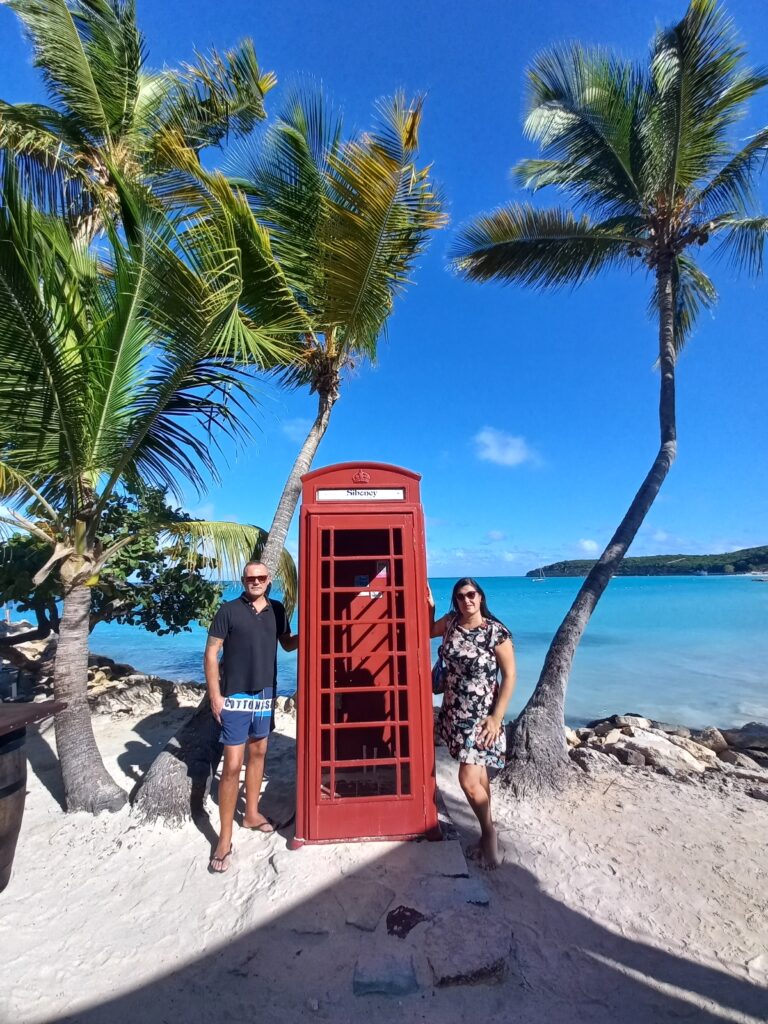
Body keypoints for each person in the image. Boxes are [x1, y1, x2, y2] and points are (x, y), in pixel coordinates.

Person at [205, 561, 298, 873]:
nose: (255, 582)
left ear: (268, 580)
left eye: (260, 577)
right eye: (250, 578)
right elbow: (211, 653)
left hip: (265, 694)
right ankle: (224, 837)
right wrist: (215, 696)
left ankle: (252, 813)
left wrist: (315, 629)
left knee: (258, 752)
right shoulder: (228, 610)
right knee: (231, 765)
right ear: (243, 581)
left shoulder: (277, 609)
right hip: (236, 695)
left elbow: (287, 644)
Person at [429, 578, 516, 869]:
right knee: (479, 779)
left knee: (467, 780)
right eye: (460, 596)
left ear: (480, 597)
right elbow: (426, 632)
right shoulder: (451, 623)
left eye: (471, 595)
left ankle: (489, 835)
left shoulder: (495, 632)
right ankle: (485, 834)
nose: (466, 600)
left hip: (481, 718)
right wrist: (429, 607)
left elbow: (510, 676)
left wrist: (496, 717)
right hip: (454, 711)